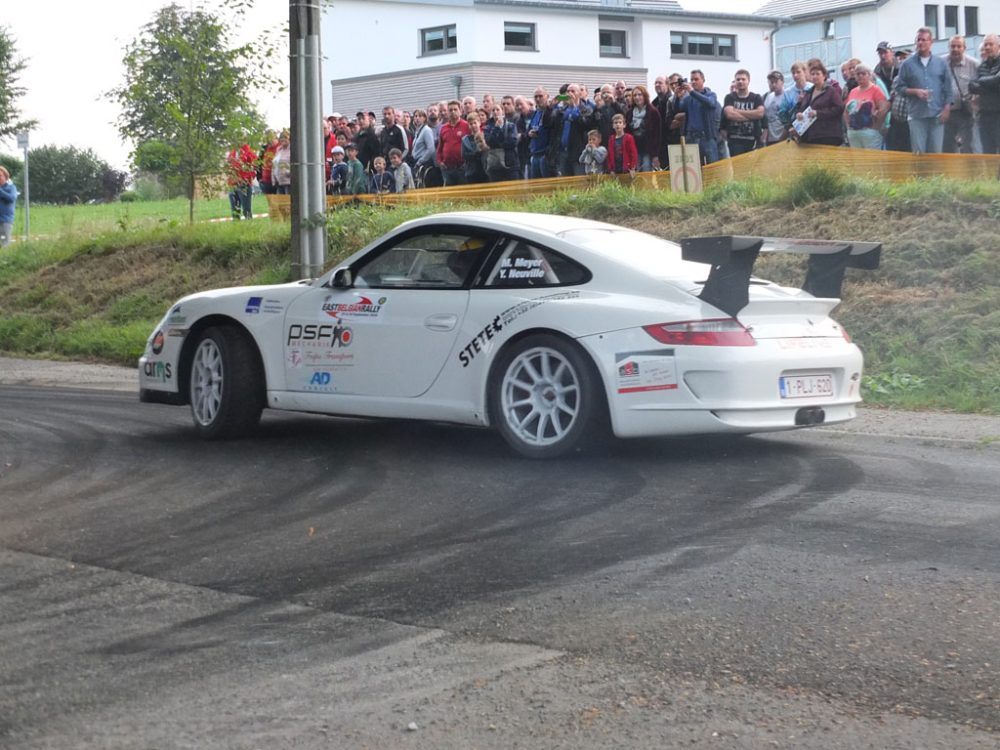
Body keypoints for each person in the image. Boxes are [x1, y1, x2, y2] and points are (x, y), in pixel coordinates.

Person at [896, 27, 952, 154]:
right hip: (917, 116)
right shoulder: (907, 64)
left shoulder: (941, 63)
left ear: (931, 42)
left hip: (937, 115)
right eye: (918, 40)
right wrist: (915, 92)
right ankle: (920, 175)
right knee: (919, 155)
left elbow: (948, 89)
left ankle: (935, 175)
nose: (920, 43)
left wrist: (947, 109)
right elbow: (899, 88)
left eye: (924, 40)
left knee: (936, 154)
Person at [942, 35, 981, 153]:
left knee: (968, 147)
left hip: (966, 113)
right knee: (947, 147)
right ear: (948, 47)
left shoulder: (974, 64)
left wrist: (974, 101)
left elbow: (981, 87)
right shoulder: (940, 63)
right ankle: (949, 171)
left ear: (964, 48)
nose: (955, 49)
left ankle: (971, 171)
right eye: (952, 46)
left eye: (959, 46)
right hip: (945, 112)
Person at [792, 60, 844, 146]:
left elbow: (839, 108)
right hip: (811, 136)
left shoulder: (831, 91)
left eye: (817, 74)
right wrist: (799, 114)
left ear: (824, 75)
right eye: (812, 74)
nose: (815, 76)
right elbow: (802, 109)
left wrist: (818, 113)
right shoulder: (808, 92)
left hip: (828, 135)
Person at [677, 70, 720, 164]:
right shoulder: (688, 98)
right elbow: (679, 108)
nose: (693, 82)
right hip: (692, 138)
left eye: (696, 79)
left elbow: (711, 103)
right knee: (694, 170)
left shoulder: (711, 94)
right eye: (691, 79)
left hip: (707, 137)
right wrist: (679, 97)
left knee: (712, 168)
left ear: (703, 80)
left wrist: (692, 92)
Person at [844, 64, 889, 149]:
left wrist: (877, 126)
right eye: (858, 74)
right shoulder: (853, 91)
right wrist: (847, 127)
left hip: (870, 133)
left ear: (869, 75)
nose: (860, 76)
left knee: (872, 160)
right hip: (854, 133)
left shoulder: (876, 90)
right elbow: (846, 111)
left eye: (863, 74)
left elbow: (884, 108)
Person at [722, 69, 765, 156]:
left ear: (748, 81)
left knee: (752, 169)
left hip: (753, 141)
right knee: (737, 169)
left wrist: (737, 111)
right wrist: (752, 115)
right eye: (738, 79)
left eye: (743, 79)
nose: (740, 81)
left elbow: (760, 114)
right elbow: (729, 114)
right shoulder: (729, 97)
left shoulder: (756, 97)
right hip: (735, 142)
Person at [969, 33, 1000, 154]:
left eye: (990, 44)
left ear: (998, 46)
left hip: (998, 114)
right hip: (984, 115)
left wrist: (982, 82)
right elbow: (972, 86)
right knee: (987, 151)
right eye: (985, 44)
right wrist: (992, 84)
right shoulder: (981, 65)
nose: (987, 47)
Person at [627, 84, 662, 171]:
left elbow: (657, 135)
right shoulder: (629, 113)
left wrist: (655, 155)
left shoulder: (653, 112)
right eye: (634, 95)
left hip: (648, 150)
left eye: (639, 95)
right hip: (634, 149)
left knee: (646, 172)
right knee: (636, 173)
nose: (637, 97)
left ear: (645, 96)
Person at [436, 100, 470, 186]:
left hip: (462, 167)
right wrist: (440, 162)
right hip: (447, 168)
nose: (453, 112)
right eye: (450, 110)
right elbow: (440, 147)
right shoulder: (443, 128)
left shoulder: (466, 126)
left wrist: (467, 162)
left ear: (460, 111)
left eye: (455, 109)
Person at [483, 104, 520, 181]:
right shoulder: (487, 127)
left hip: (510, 163)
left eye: (497, 110)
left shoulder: (511, 126)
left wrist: (499, 144)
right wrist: (497, 128)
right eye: (493, 110)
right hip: (495, 164)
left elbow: (513, 142)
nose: (495, 112)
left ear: (502, 112)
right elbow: (490, 142)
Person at [762, 70, 795, 145]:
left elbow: (790, 119)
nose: (774, 84)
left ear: (782, 82)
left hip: (784, 137)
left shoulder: (788, 96)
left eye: (776, 82)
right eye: (771, 82)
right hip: (770, 137)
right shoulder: (767, 96)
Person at [226, 142, 256, 220]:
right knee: (235, 211)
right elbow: (228, 166)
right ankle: (236, 229)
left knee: (246, 210)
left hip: (243, 184)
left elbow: (254, 167)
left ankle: (250, 228)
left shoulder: (248, 152)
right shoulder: (232, 152)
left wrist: (245, 179)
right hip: (232, 184)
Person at [461, 111, 490, 184]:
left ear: (479, 123)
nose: (473, 125)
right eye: (471, 124)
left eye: (475, 123)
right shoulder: (465, 139)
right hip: (472, 172)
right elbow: (464, 155)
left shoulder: (486, 135)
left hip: (485, 170)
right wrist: (476, 153)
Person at [257, 130, 279, 195]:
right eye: (267, 138)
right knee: (271, 204)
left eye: (270, 137)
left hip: (278, 182)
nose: (269, 140)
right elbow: (259, 163)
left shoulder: (280, 147)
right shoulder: (264, 149)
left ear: (275, 137)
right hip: (266, 182)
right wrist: (259, 178)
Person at [0, 166, 17, 247]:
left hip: (6, 220)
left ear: (5, 177)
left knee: (5, 244)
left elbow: (11, 198)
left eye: (0, 175)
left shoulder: (11, 188)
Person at [271, 130, 292, 194]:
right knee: (280, 203)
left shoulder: (292, 150)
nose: (283, 141)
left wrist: (288, 173)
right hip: (278, 182)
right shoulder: (279, 150)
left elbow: (295, 165)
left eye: (285, 139)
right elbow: (274, 164)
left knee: (288, 202)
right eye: (281, 139)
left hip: (288, 182)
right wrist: (273, 178)